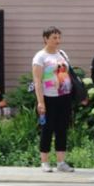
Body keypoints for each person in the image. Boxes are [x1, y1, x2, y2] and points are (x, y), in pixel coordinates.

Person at [33, 26, 75, 173]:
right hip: (48, 96)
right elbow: (37, 80)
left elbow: (68, 73)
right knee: (47, 128)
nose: (57, 41)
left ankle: (61, 161)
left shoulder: (62, 54)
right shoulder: (40, 57)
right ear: (46, 39)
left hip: (64, 95)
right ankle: (44, 161)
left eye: (59, 37)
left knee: (62, 128)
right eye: (54, 38)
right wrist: (40, 102)